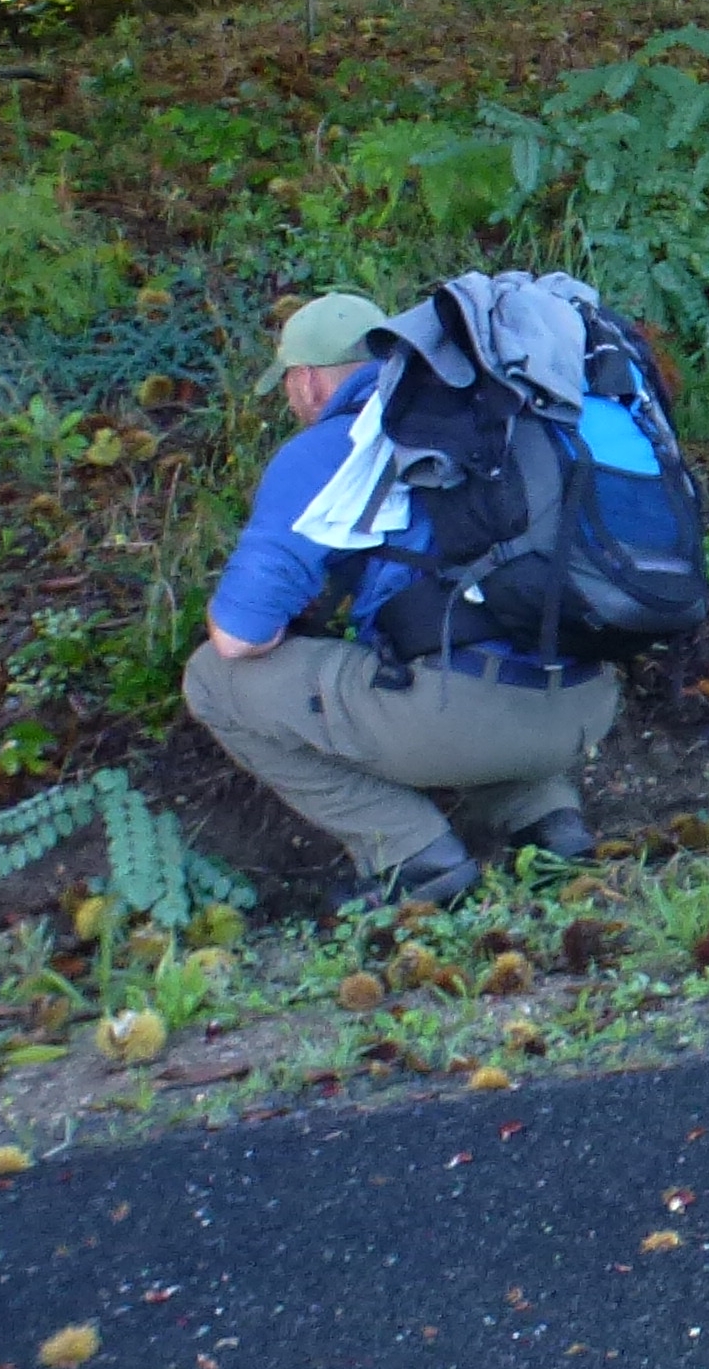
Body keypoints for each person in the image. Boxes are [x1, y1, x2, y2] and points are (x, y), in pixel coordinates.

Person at [179, 291, 617, 911]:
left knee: (212, 679)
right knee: (481, 632)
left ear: (306, 382)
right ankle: (549, 826)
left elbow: (240, 635)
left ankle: (412, 857)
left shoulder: (332, 449)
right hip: (585, 706)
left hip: (464, 721)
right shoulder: (497, 423)